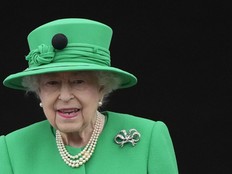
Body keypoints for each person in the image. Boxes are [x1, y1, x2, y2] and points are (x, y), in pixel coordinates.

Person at [0, 18, 179, 174]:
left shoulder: (148, 137)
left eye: (78, 82)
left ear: (102, 87)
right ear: (39, 92)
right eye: (52, 83)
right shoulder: (11, 148)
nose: (64, 96)